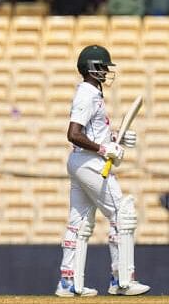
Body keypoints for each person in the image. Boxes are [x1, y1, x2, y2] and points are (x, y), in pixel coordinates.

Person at [55, 45, 150, 297]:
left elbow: (90, 132)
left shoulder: (91, 93)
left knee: (79, 221)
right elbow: (73, 134)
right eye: (102, 67)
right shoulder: (87, 94)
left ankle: (68, 283)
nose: (107, 71)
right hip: (89, 163)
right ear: (91, 68)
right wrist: (102, 149)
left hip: (81, 162)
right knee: (122, 213)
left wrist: (115, 138)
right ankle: (122, 280)